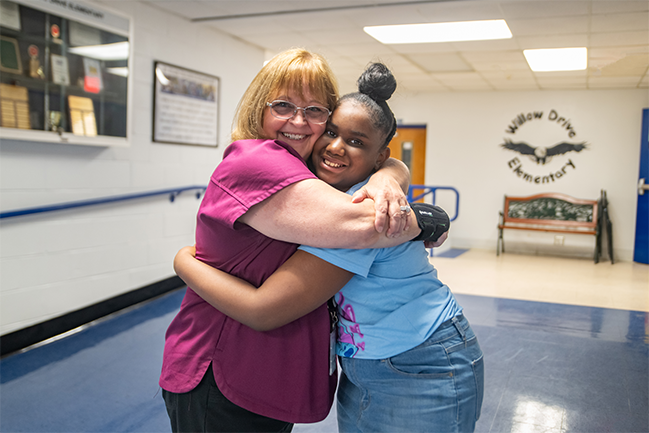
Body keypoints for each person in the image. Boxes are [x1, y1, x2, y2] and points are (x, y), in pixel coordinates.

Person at [173, 63, 484, 433]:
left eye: (316, 112)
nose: (332, 144)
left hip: (418, 360)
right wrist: (413, 200)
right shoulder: (314, 188)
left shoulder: (353, 207)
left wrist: (183, 263)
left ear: (378, 156)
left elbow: (266, 308)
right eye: (333, 132)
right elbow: (372, 209)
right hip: (374, 361)